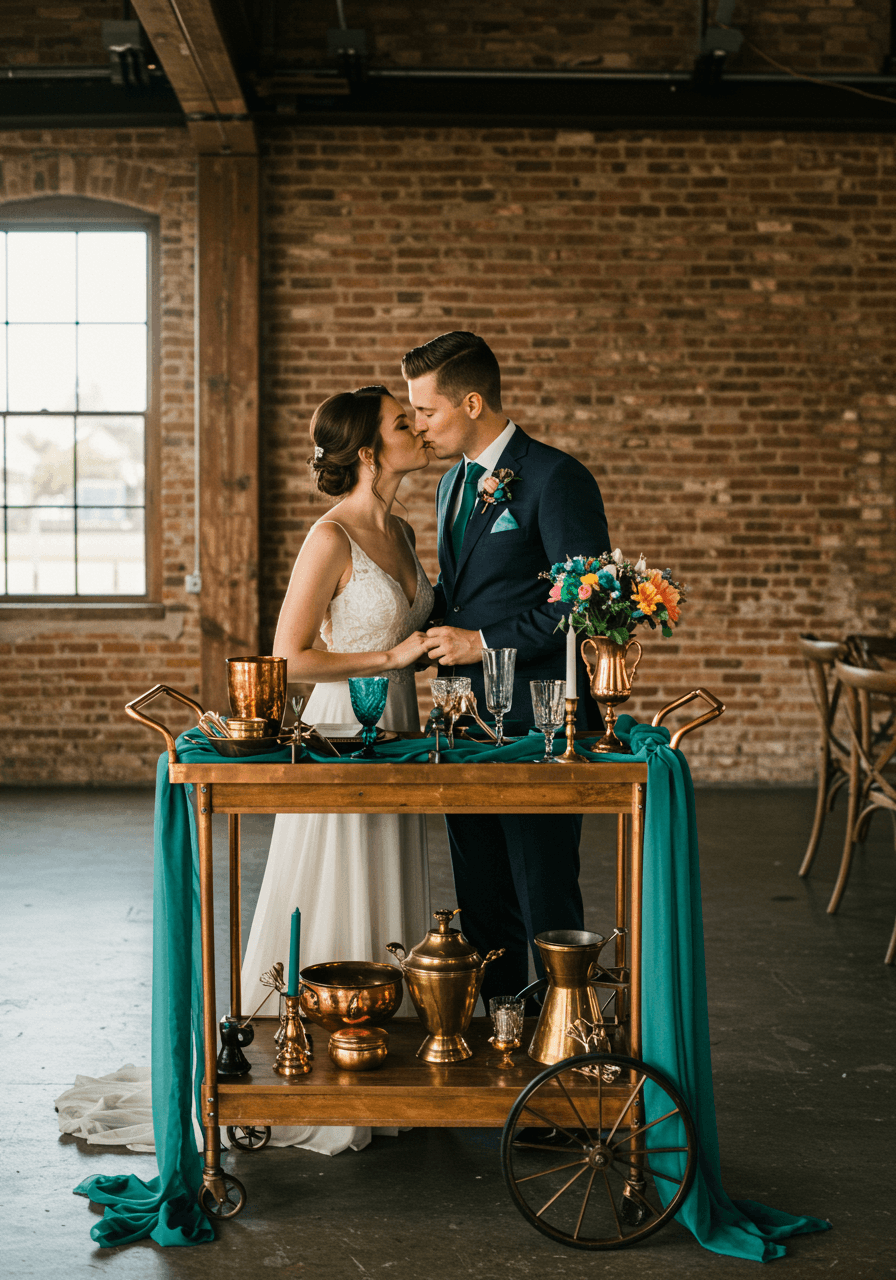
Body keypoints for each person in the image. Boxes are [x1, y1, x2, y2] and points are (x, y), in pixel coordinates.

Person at [240, 385, 434, 1154]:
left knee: (383, 870)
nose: (417, 427)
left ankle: (374, 1053)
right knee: (337, 871)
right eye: (401, 423)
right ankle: (315, 1058)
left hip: (401, 730)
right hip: (338, 730)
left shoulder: (406, 530)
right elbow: (286, 660)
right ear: (366, 451)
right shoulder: (331, 537)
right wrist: (388, 658)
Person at [404, 332, 612, 1004]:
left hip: (538, 724)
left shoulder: (556, 477)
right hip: (463, 722)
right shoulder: (449, 486)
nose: (417, 425)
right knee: (482, 898)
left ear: (471, 402)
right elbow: (459, 592)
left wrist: (480, 643)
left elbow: (582, 605)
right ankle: (496, 1044)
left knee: (544, 893)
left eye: (427, 412)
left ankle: (562, 1048)